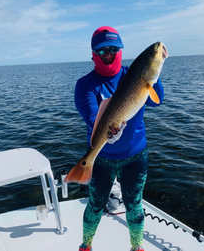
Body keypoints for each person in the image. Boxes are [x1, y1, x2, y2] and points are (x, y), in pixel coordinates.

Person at [75, 26, 165, 251]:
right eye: (102, 50)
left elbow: (156, 100)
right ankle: (86, 245)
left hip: (135, 156)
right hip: (101, 158)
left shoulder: (133, 74)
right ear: (93, 54)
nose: (108, 54)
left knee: (135, 206)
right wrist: (108, 134)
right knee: (95, 206)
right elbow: (93, 118)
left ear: (121, 50)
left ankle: (137, 247)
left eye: (113, 49)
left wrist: (155, 74)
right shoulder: (85, 85)